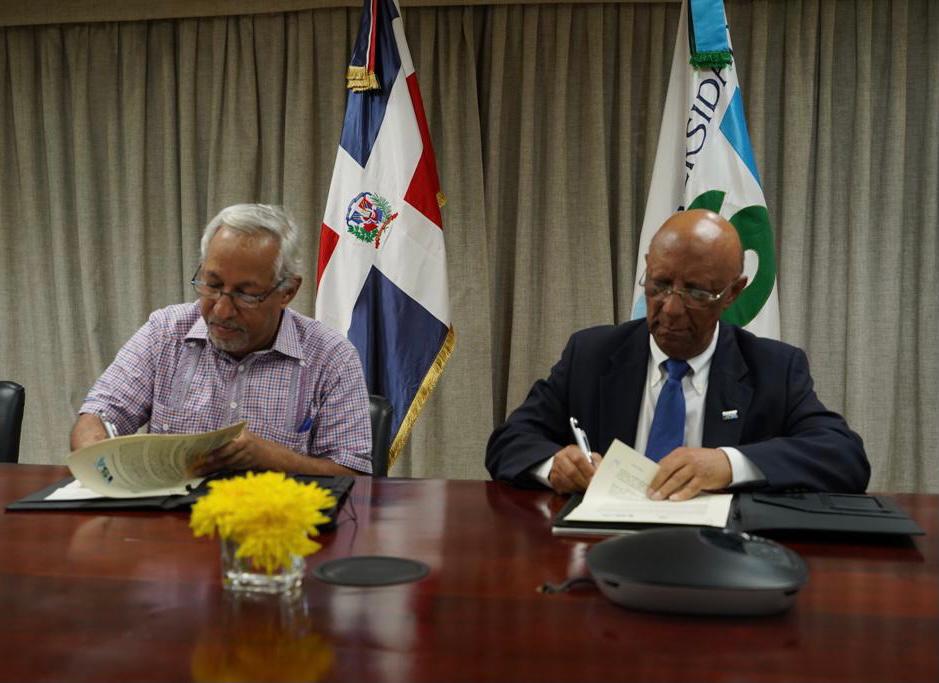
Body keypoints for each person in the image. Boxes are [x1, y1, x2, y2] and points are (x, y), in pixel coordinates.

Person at [486, 209, 869, 500]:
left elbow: (844, 456)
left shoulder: (774, 368)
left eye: (697, 293)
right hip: (602, 550)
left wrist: (728, 464)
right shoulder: (591, 354)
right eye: (660, 285)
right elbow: (510, 441)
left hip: (720, 559)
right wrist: (555, 466)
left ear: (734, 293)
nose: (670, 309)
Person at [70, 203, 372, 476]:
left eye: (246, 294)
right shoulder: (165, 332)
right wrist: (105, 470)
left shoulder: (331, 356)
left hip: (276, 527)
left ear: (288, 291)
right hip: (167, 525)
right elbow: (97, 417)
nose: (222, 310)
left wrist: (273, 458)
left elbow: (354, 477)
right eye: (212, 285)